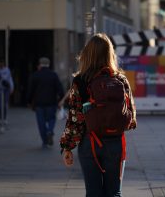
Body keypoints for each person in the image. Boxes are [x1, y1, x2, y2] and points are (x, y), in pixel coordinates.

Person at [59, 33, 137, 197]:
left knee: (93, 193)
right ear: (110, 54)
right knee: (114, 192)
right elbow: (131, 117)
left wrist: (67, 147)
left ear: (87, 54)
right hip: (115, 142)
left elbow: (75, 118)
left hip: (90, 142)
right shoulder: (121, 79)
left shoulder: (80, 80)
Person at [27, 57, 65, 148]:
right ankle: (50, 130)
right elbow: (60, 89)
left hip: (39, 103)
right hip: (51, 102)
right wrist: (61, 99)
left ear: (40, 64)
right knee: (52, 118)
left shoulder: (35, 75)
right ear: (49, 64)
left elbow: (30, 90)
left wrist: (28, 101)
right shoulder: (53, 75)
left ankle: (45, 141)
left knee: (41, 122)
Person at [0, 60, 14, 125]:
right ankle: (0, 118)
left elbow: (9, 78)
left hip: (6, 89)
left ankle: (5, 119)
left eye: (2, 63)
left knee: (5, 104)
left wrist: (12, 87)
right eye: (0, 63)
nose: (1, 64)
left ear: (4, 63)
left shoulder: (7, 70)